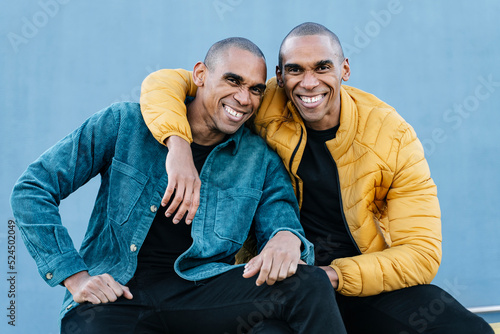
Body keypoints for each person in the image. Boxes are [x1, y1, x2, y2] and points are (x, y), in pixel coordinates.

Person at [139, 23, 494, 333]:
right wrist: (178, 146)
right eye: (295, 70)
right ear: (280, 76)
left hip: (359, 282)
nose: (309, 84)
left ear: (345, 69)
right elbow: (167, 82)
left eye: (322, 67)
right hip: (277, 281)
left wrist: (331, 276)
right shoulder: (261, 102)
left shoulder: (392, 137)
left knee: (465, 328)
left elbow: (421, 254)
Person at [10, 37, 348, 334]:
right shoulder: (125, 123)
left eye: (255, 89)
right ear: (200, 75)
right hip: (116, 295)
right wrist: (76, 277)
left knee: (308, 284)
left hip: (200, 292)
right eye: (232, 80)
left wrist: (287, 237)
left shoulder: (258, 158)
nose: (244, 98)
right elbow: (32, 188)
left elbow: (281, 219)